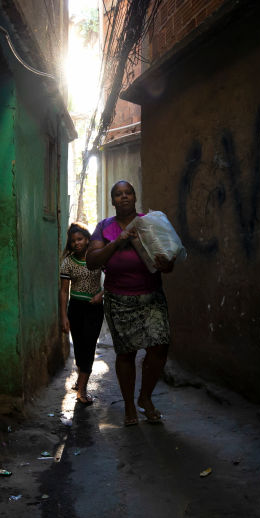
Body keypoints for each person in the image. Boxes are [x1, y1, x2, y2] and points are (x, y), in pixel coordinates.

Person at [86, 180, 174, 426]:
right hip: (119, 299)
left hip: (151, 295)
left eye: (128, 193)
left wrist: (167, 265)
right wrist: (117, 242)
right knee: (126, 353)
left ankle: (145, 398)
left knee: (160, 346)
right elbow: (92, 261)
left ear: (135, 197)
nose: (124, 197)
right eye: (118, 194)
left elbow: (167, 259)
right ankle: (128, 406)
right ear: (113, 200)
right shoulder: (105, 227)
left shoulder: (150, 222)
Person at [59, 222, 104, 405]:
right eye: (73, 241)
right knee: (79, 347)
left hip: (94, 309)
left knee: (89, 346)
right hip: (76, 309)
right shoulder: (68, 262)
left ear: (87, 240)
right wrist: (63, 316)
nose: (76, 243)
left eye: (80, 239)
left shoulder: (97, 258)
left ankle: (83, 388)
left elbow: (112, 278)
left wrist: (101, 295)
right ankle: (81, 378)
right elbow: (63, 292)